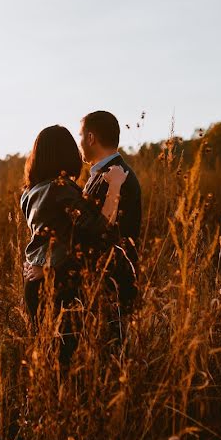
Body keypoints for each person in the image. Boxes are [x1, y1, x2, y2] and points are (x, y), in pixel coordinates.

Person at [20, 124, 129, 362]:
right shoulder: (60, 188)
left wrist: (40, 266)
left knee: (46, 359)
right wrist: (116, 185)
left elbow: (48, 237)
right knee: (64, 363)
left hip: (34, 283)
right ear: (67, 154)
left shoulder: (29, 192)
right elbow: (100, 226)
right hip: (56, 284)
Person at [78, 111, 142, 311]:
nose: (79, 142)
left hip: (111, 283)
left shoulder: (114, 176)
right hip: (106, 282)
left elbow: (99, 233)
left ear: (90, 138)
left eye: (80, 136)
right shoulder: (107, 173)